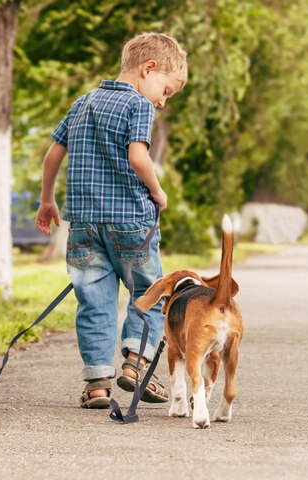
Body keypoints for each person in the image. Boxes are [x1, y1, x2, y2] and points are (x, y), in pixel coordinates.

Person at [35, 32, 187, 408]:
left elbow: (53, 154)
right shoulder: (138, 105)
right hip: (130, 223)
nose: (163, 102)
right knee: (150, 294)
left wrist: (47, 200)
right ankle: (135, 366)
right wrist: (157, 190)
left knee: (94, 301)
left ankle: (97, 385)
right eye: (166, 90)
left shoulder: (83, 102)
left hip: (83, 225)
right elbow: (138, 157)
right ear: (148, 68)